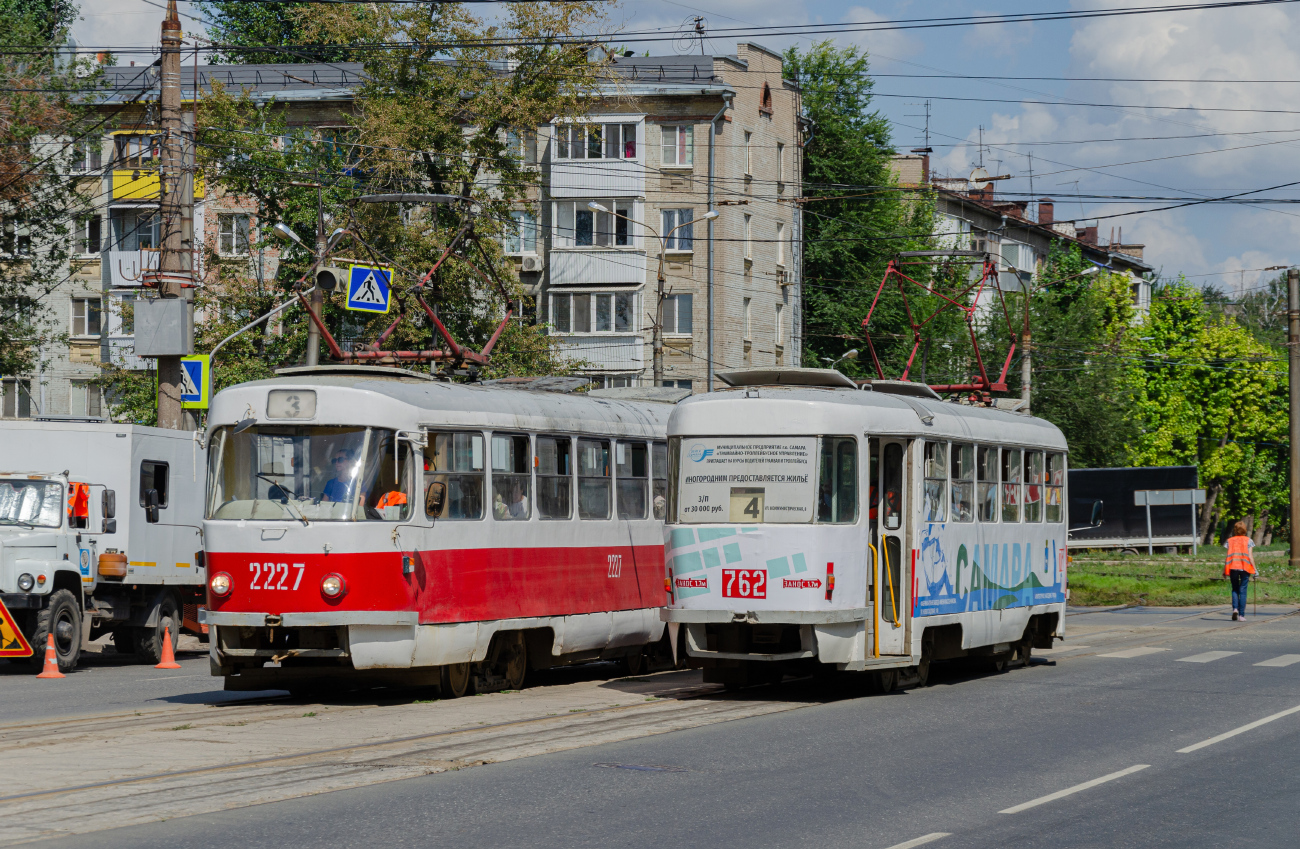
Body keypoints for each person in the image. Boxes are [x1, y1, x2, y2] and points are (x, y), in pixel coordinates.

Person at [1224, 520, 1256, 621]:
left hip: (1232, 567)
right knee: (1243, 591)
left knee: (1234, 589)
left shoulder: (1229, 541)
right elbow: (1250, 557)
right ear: (1245, 530)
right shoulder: (1249, 540)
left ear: (1235, 530)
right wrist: (1255, 570)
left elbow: (1227, 557)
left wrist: (1224, 570)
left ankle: (1235, 609)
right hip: (1245, 568)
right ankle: (1241, 615)